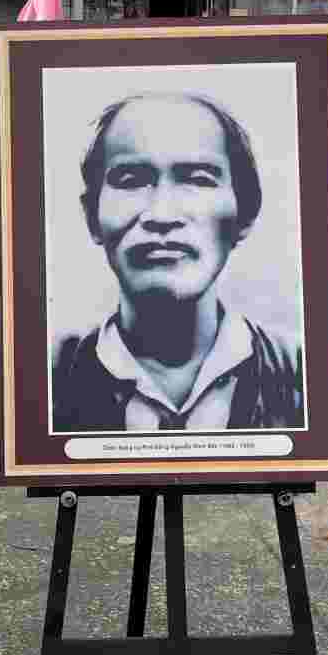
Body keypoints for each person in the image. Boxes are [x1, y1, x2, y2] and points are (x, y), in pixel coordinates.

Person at [50, 91, 305, 433]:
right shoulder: (50, 377)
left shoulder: (302, 372)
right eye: (130, 180)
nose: (162, 214)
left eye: (198, 179)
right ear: (92, 217)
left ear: (245, 214)